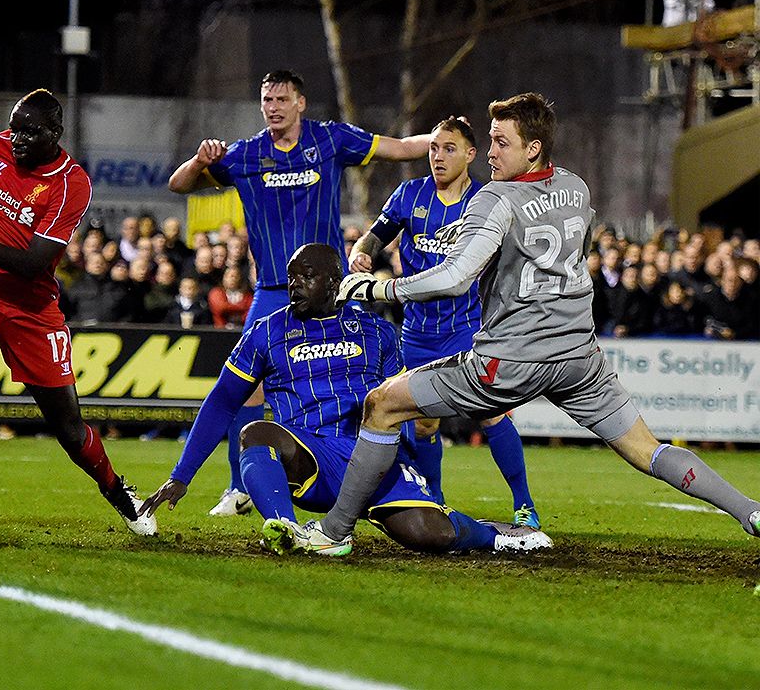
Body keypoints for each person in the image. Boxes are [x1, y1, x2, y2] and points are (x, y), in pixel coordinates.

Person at [326, 93, 760, 554]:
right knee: (647, 450)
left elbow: (455, 278)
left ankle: (333, 533)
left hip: (512, 358)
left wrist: (378, 289)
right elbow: (569, 248)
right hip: (578, 358)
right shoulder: (576, 187)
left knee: (383, 404)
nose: (490, 152)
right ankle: (751, 511)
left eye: (500, 142)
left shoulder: (495, 197)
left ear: (532, 149)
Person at [139, 244, 550, 556]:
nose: (293, 284)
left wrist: (420, 473)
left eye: (305, 277)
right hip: (310, 458)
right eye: (290, 277)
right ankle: (287, 528)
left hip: (373, 458)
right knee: (256, 432)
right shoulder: (266, 331)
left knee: (431, 535)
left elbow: (409, 410)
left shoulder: (377, 332)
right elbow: (221, 402)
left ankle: (499, 535)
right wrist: (182, 474)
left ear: (334, 284)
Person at [166, 69, 433, 517]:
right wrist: (199, 161)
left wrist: (442, 140)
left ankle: (375, 470)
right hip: (273, 290)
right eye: (267, 99)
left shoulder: (330, 140)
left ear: (301, 103)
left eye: (281, 99)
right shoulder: (246, 154)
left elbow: (401, 149)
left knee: (360, 379)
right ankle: (240, 486)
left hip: (331, 293)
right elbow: (178, 184)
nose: (273, 106)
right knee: (245, 392)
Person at [0, 88, 156, 536]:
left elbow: (31, 264)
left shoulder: (71, 184)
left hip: (31, 307)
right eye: (14, 129)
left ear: (55, 134)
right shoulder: (0, 146)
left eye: (29, 133)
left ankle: (118, 491)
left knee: (69, 430)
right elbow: (2, 176)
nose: (16, 140)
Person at [348, 117, 539, 527]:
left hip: (470, 331)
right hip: (417, 333)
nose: (437, 156)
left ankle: (524, 504)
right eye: (433, 147)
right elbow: (375, 236)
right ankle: (434, 500)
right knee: (423, 422)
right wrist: (362, 253)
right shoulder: (409, 194)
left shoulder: (487, 201)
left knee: (492, 413)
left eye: (449, 148)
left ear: (471, 154)